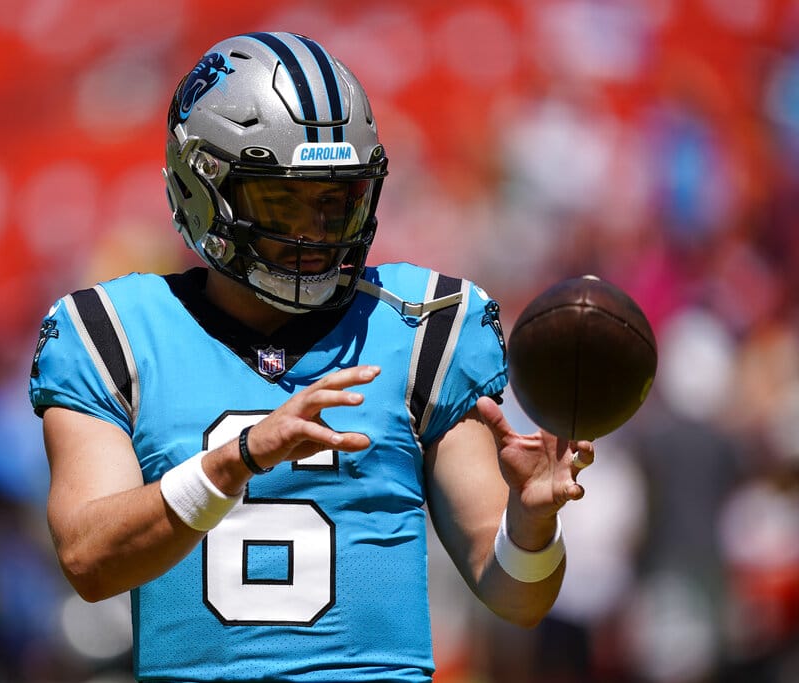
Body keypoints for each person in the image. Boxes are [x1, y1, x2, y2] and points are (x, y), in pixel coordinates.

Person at [29, 31, 594, 683]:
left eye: (334, 200)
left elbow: (516, 597)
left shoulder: (427, 324)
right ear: (201, 185)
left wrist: (530, 523)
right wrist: (235, 461)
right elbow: (88, 558)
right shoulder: (111, 332)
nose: (314, 233)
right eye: (282, 200)